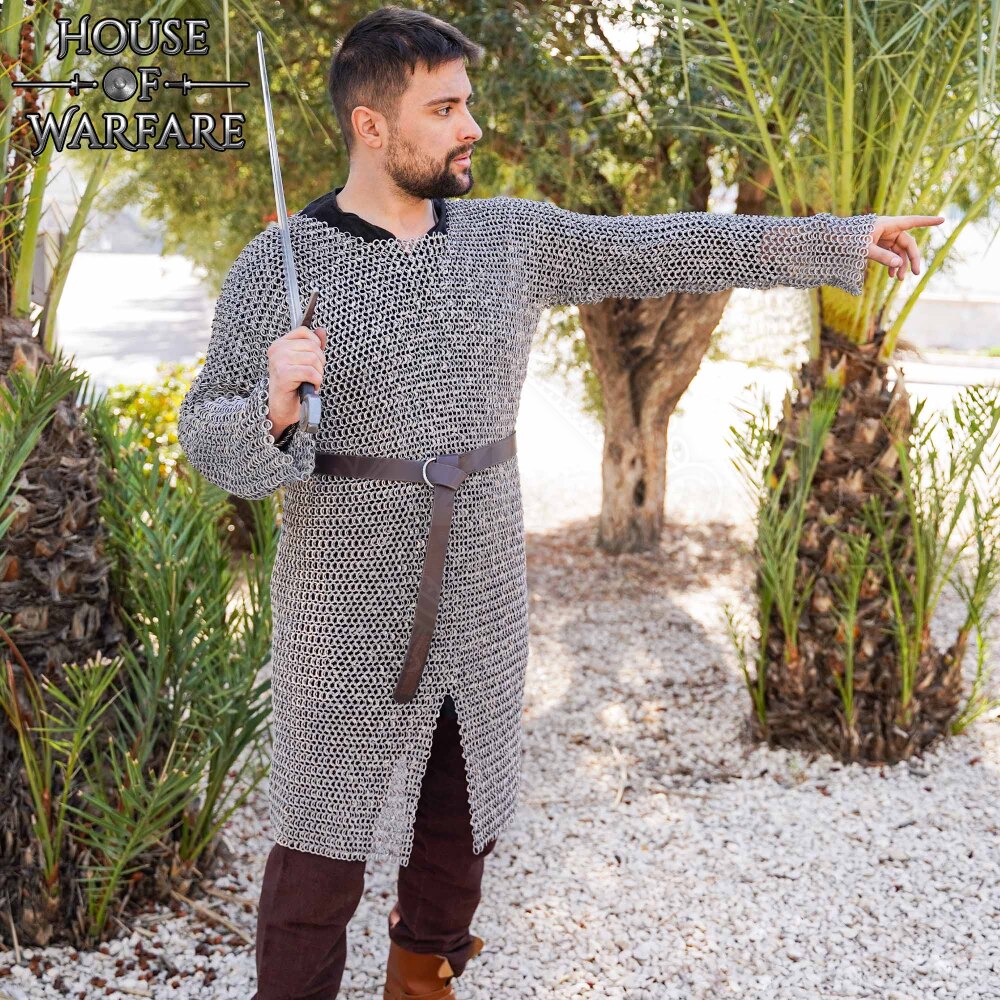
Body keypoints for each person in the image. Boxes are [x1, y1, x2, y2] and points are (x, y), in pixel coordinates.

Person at [176, 6, 943, 997]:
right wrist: (274, 409)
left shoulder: (510, 237)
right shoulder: (280, 266)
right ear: (371, 126)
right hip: (345, 606)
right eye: (443, 109)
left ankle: (422, 979)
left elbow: (667, 249)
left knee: (457, 842)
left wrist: (836, 240)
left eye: (468, 103)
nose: (471, 127)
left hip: (480, 586)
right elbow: (211, 440)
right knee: (317, 866)